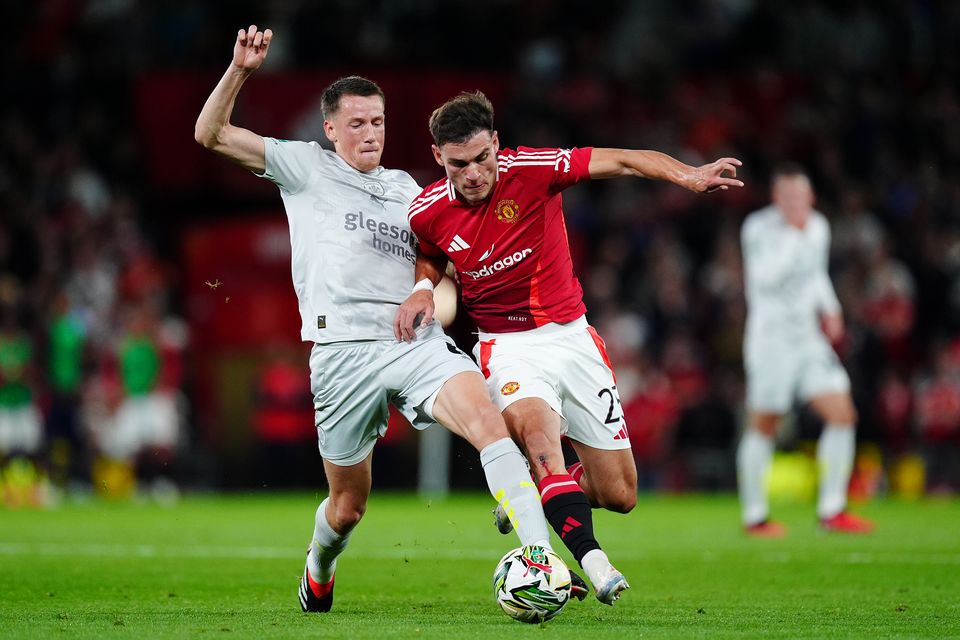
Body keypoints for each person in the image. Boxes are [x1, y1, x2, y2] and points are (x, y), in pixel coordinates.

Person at [195, 27, 560, 614]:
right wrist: (239, 70)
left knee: (489, 425)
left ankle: (540, 561)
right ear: (331, 129)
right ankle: (319, 564)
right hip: (341, 354)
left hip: (414, 345)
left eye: (379, 122)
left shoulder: (407, 190)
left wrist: (436, 290)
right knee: (348, 508)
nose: (371, 133)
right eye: (358, 123)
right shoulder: (303, 166)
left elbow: (442, 259)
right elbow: (208, 134)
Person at [395, 90, 743, 604]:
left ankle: (539, 491)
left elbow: (624, 159)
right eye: (458, 164)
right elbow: (430, 252)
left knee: (619, 494)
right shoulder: (426, 211)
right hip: (506, 348)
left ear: (496, 143)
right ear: (437, 158)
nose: (472, 174)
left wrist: (685, 174)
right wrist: (424, 286)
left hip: (573, 338)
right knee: (540, 442)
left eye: (481, 159)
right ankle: (593, 564)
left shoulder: (535, 168)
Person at [737, 163, 874, 536]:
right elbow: (765, 279)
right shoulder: (758, 228)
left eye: (801, 196)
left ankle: (832, 510)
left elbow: (815, 274)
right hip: (771, 340)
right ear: (775, 199)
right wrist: (794, 237)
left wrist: (831, 308)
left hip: (808, 340)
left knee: (843, 415)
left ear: (811, 197)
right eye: (787, 197)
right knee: (765, 423)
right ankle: (755, 516)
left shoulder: (819, 226)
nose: (795, 204)